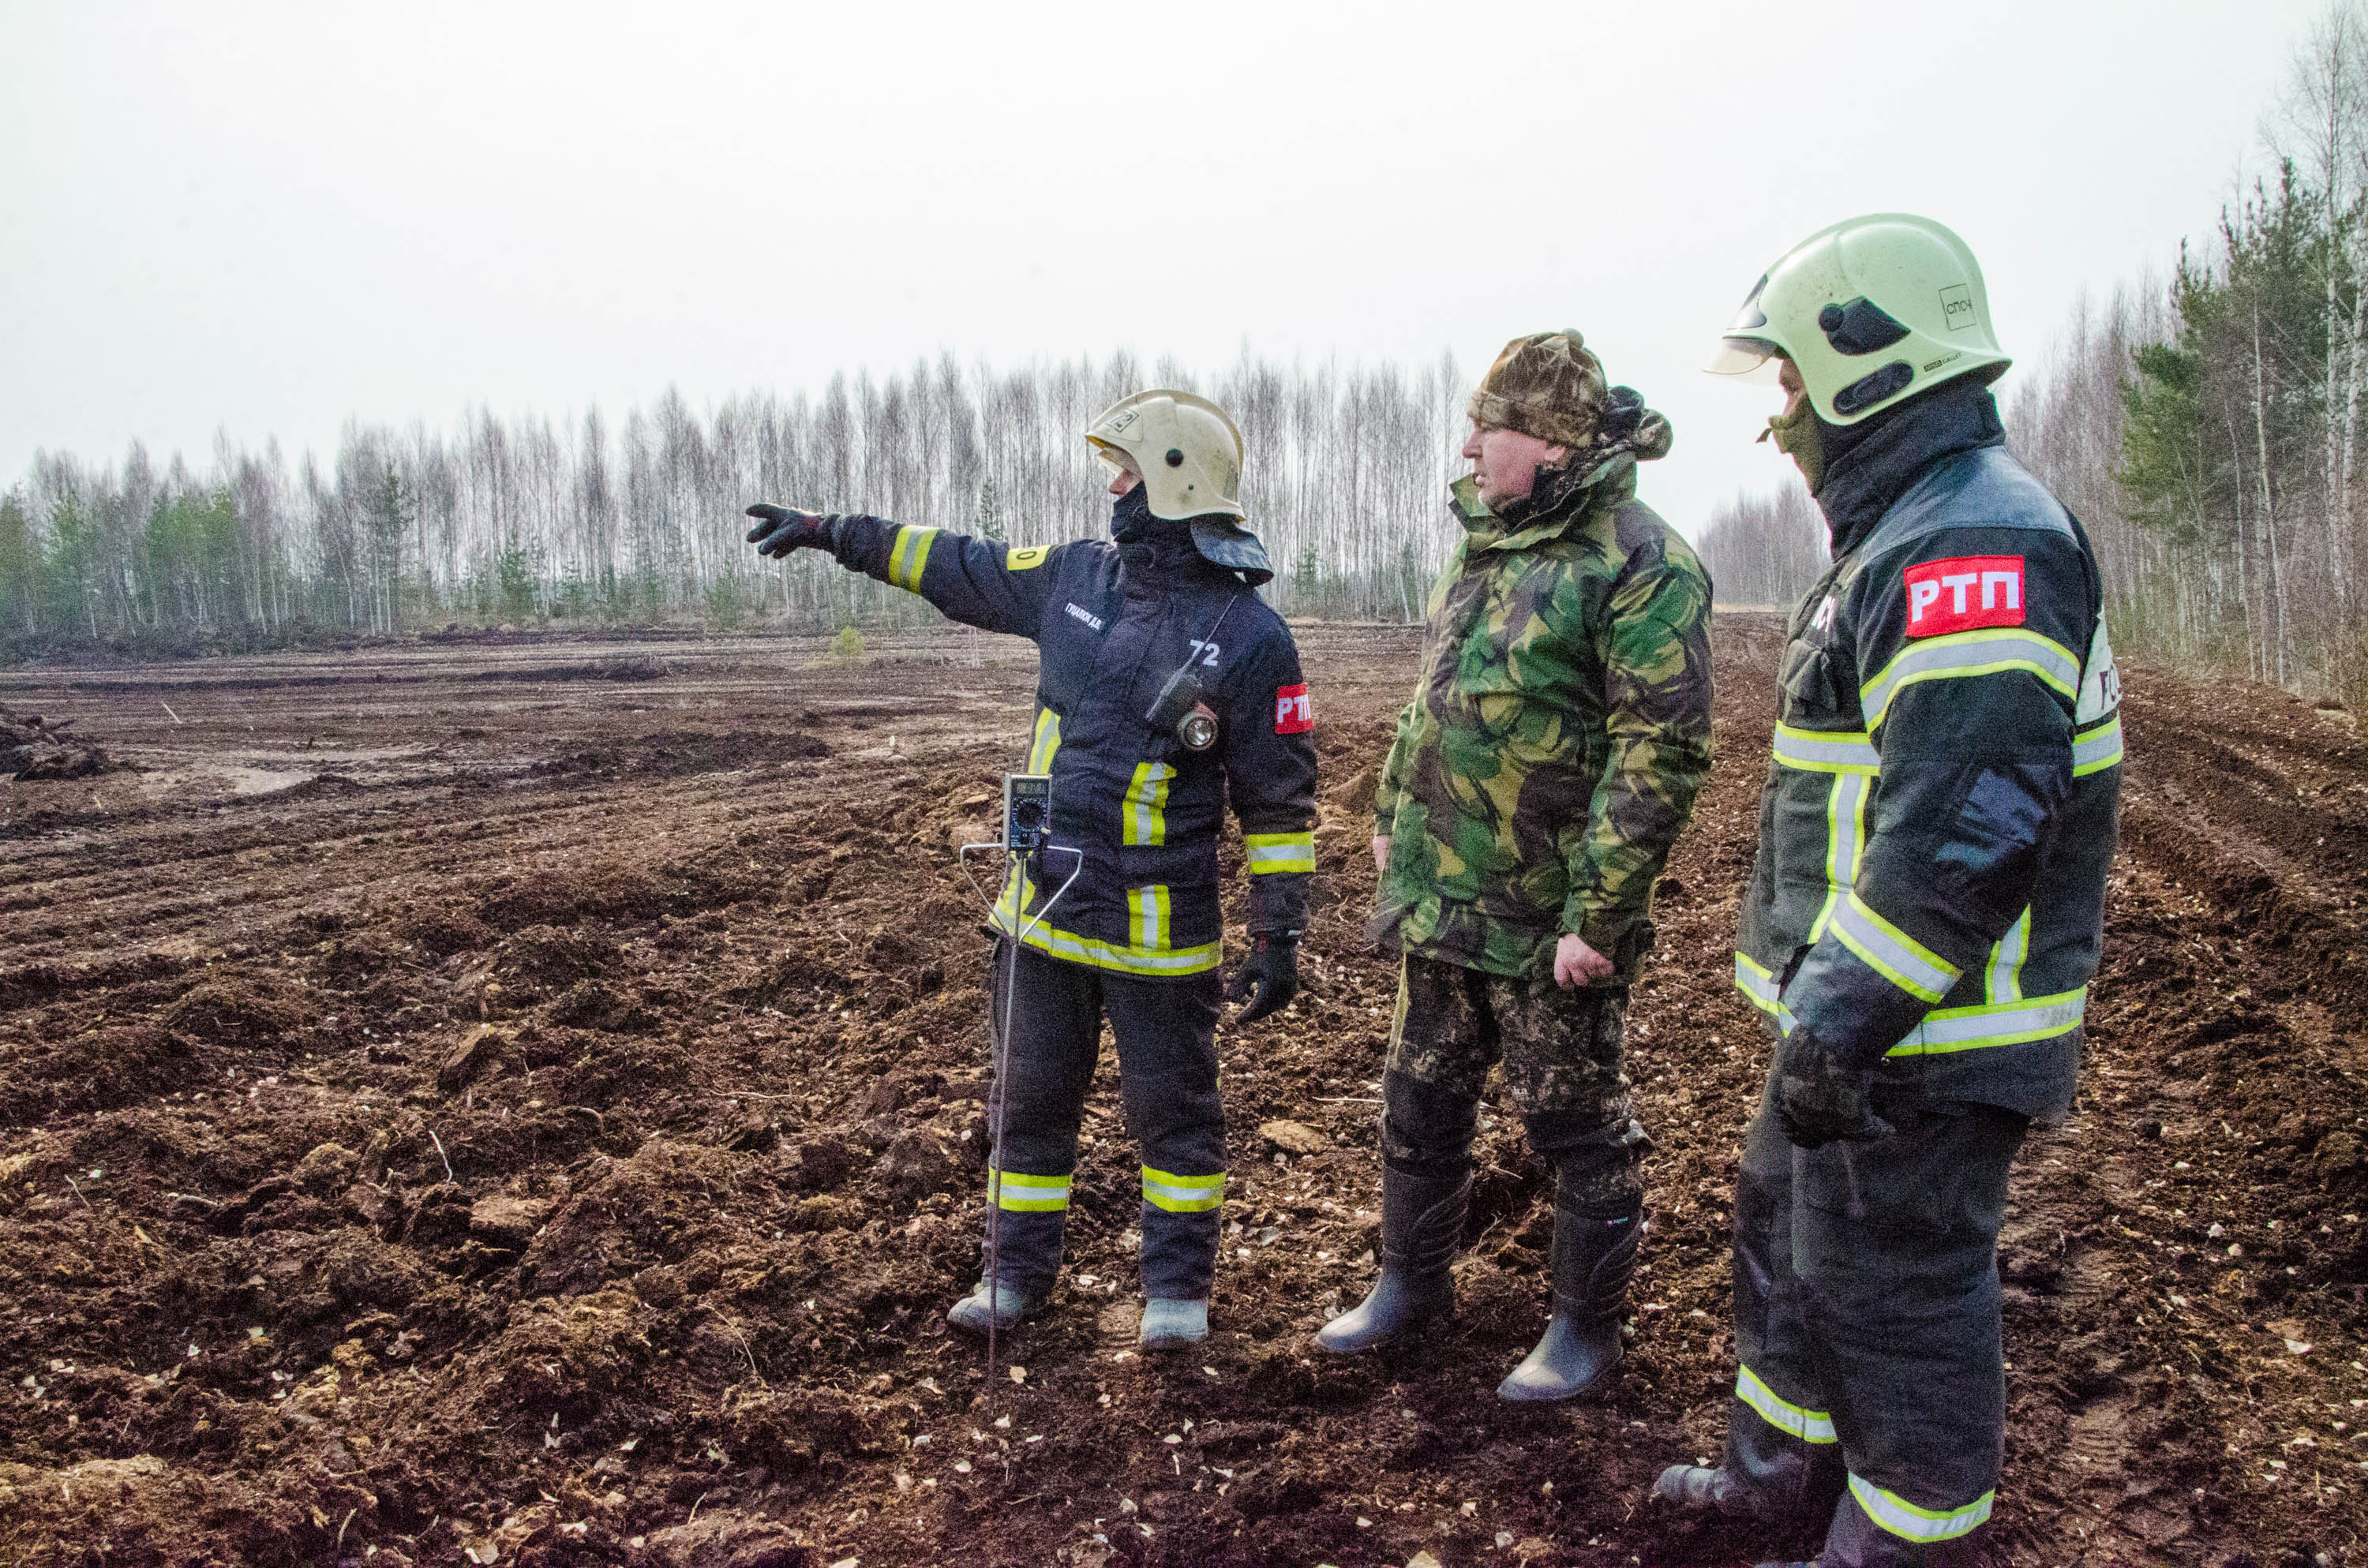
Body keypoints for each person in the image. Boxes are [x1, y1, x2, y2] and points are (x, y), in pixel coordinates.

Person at [1653, 214, 2123, 1566]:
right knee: (1784, 1233)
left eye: (1791, 380)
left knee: (1895, 1297)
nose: (1778, 419)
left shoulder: (1974, 537)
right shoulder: (1917, 526)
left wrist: (1844, 1013)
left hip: (1923, 1034)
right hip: (1863, 1018)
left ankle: (1903, 1544)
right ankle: (1776, 1482)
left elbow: (1966, 820)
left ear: (1870, 365)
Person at [744, 390, 1317, 1352]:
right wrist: (830, 532)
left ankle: (1175, 1295)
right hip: (1043, 913)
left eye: (1128, 470)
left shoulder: (1254, 638)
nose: (1112, 485)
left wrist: (1278, 928)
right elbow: (954, 565)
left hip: (1158, 938)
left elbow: (1279, 802)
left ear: (1175, 482)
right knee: (1028, 1105)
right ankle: (1014, 1275)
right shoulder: (1073, 578)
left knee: (1174, 1123)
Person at [1314, 329, 1714, 1402]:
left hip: (1548, 914)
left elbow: (1657, 748)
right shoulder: (1487, 542)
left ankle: (1584, 1332)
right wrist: (1395, 811)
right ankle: (1412, 1285)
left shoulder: (1642, 559)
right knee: (1420, 1096)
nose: (1468, 446)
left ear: (1544, 440)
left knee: (1576, 1123)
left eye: (1485, 430)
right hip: (1446, 894)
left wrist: (1599, 911)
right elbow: (1434, 695)